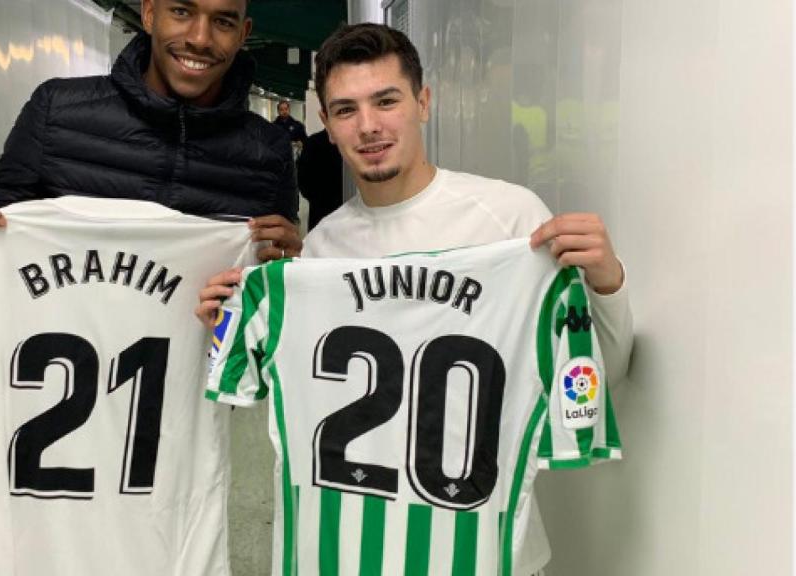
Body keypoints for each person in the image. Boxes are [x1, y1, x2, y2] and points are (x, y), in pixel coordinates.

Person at [197, 23, 633, 576]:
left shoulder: (513, 221)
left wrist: (607, 283)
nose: (370, 126)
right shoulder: (322, 251)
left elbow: (601, 377)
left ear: (423, 102)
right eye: (347, 109)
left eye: (386, 101)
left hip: (493, 552)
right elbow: (284, 403)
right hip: (356, 551)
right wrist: (225, 321)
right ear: (326, 125)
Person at [0, 0, 301, 282]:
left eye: (222, 21)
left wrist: (288, 262)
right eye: (182, 12)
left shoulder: (268, 150)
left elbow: (273, 289)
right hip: (70, 373)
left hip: (197, 382)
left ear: (243, 35)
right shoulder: (56, 111)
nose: (200, 39)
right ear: (149, 13)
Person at [296, 128, 344, 231]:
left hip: (320, 204)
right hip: (321, 205)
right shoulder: (313, 142)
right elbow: (303, 176)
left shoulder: (349, 140)